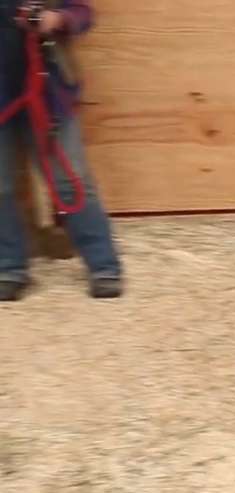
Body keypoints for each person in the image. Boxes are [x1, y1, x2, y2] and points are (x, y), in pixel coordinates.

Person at [0, 0, 122, 301]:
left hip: (46, 91)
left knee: (70, 181)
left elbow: (82, 13)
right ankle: (9, 268)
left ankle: (103, 266)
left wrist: (58, 19)